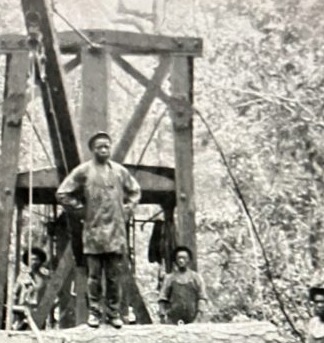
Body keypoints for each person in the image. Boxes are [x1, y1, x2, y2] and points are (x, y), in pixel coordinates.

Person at [56, 131, 141, 329]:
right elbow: (62, 193)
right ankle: (94, 312)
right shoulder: (83, 171)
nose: (103, 150)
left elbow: (135, 191)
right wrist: (81, 210)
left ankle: (113, 313)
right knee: (94, 277)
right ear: (93, 150)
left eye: (106, 146)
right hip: (93, 231)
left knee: (113, 276)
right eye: (99, 147)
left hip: (115, 232)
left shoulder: (120, 172)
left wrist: (126, 209)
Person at [158, 246, 207, 325]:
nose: (181, 260)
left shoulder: (196, 278)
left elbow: (202, 298)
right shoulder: (169, 278)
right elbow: (162, 299)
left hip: (193, 320)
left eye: (184, 258)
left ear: (189, 260)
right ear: (175, 260)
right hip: (172, 321)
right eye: (179, 258)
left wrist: (199, 317)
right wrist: (162, 316)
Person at [12, 247, 49, 330]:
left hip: (39, 311)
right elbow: (15, 293)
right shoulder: (22, 277)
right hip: (24, 311)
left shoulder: (45, 278)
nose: (34, 262)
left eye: (36, 259)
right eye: (32, 259)